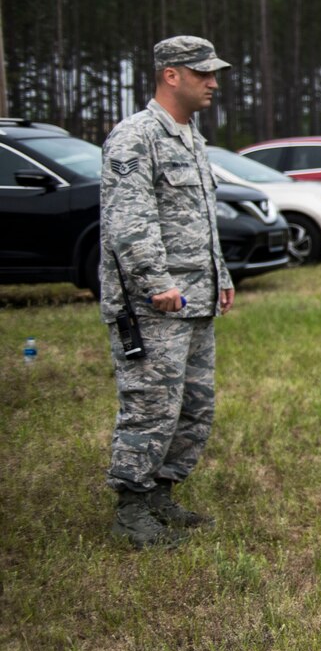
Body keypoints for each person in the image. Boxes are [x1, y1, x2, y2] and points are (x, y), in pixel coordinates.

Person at [98, 35, 236, 548]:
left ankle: (161, 492)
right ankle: (131, 506)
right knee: (151, 404)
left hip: (196, 299)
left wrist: (219, 274)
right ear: (170, 74)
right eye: (202, 73)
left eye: (213, 73)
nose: (212, 82)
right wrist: (155, 284)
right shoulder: (136, 136)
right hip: (155, 304)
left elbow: (200, 218)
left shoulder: (191, 136)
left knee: (194, 406)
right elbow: (128, 220)